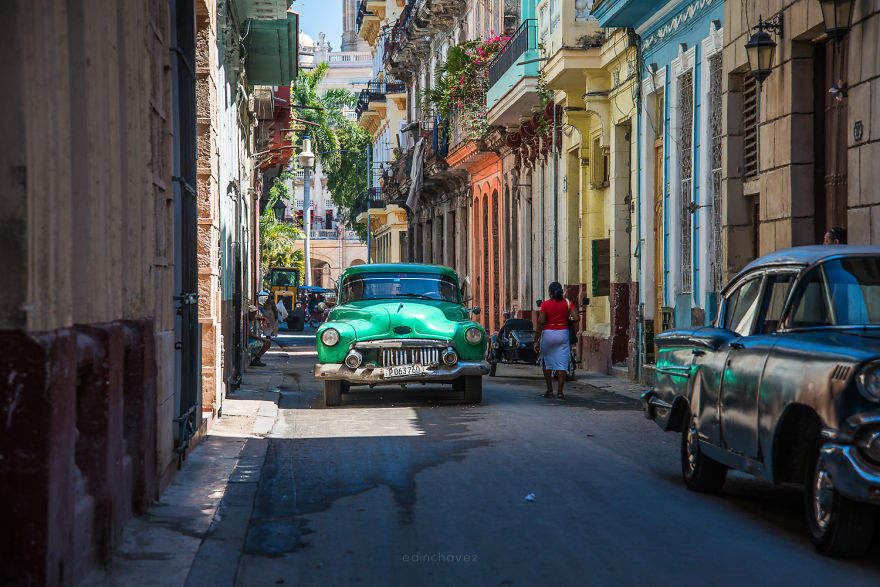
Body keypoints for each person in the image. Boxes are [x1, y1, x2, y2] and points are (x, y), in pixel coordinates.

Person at [533, 282, 578, 399]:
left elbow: (541, 322)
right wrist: (568, 318)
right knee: (562, 365)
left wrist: (536, 340)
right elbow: (577, 318)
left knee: (547, 362)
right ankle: (560, 392)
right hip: (563, 334)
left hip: (548, 335)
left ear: (550, 293)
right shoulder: (568, 303)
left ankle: (549, 390)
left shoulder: (545, 305)